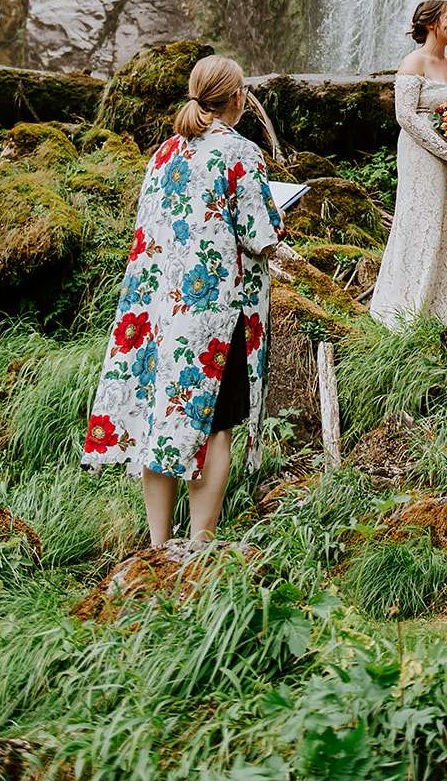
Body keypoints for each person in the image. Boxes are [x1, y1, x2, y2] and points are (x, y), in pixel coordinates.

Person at [80, 55, 285, 546]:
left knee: (163, 416)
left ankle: (156, 546)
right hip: (216, 311)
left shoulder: (164, 153)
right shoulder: (241, 153)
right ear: (238, 98)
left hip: (158, 308)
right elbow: (261, 234)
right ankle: (199, 543)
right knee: (214, 426)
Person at [370, 0, 447, 326]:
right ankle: (403, 310)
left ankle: (439, 313)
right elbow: (406, 116)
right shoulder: (412, 63)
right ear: (431, 23)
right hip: (422, 156)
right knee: (421, 223)